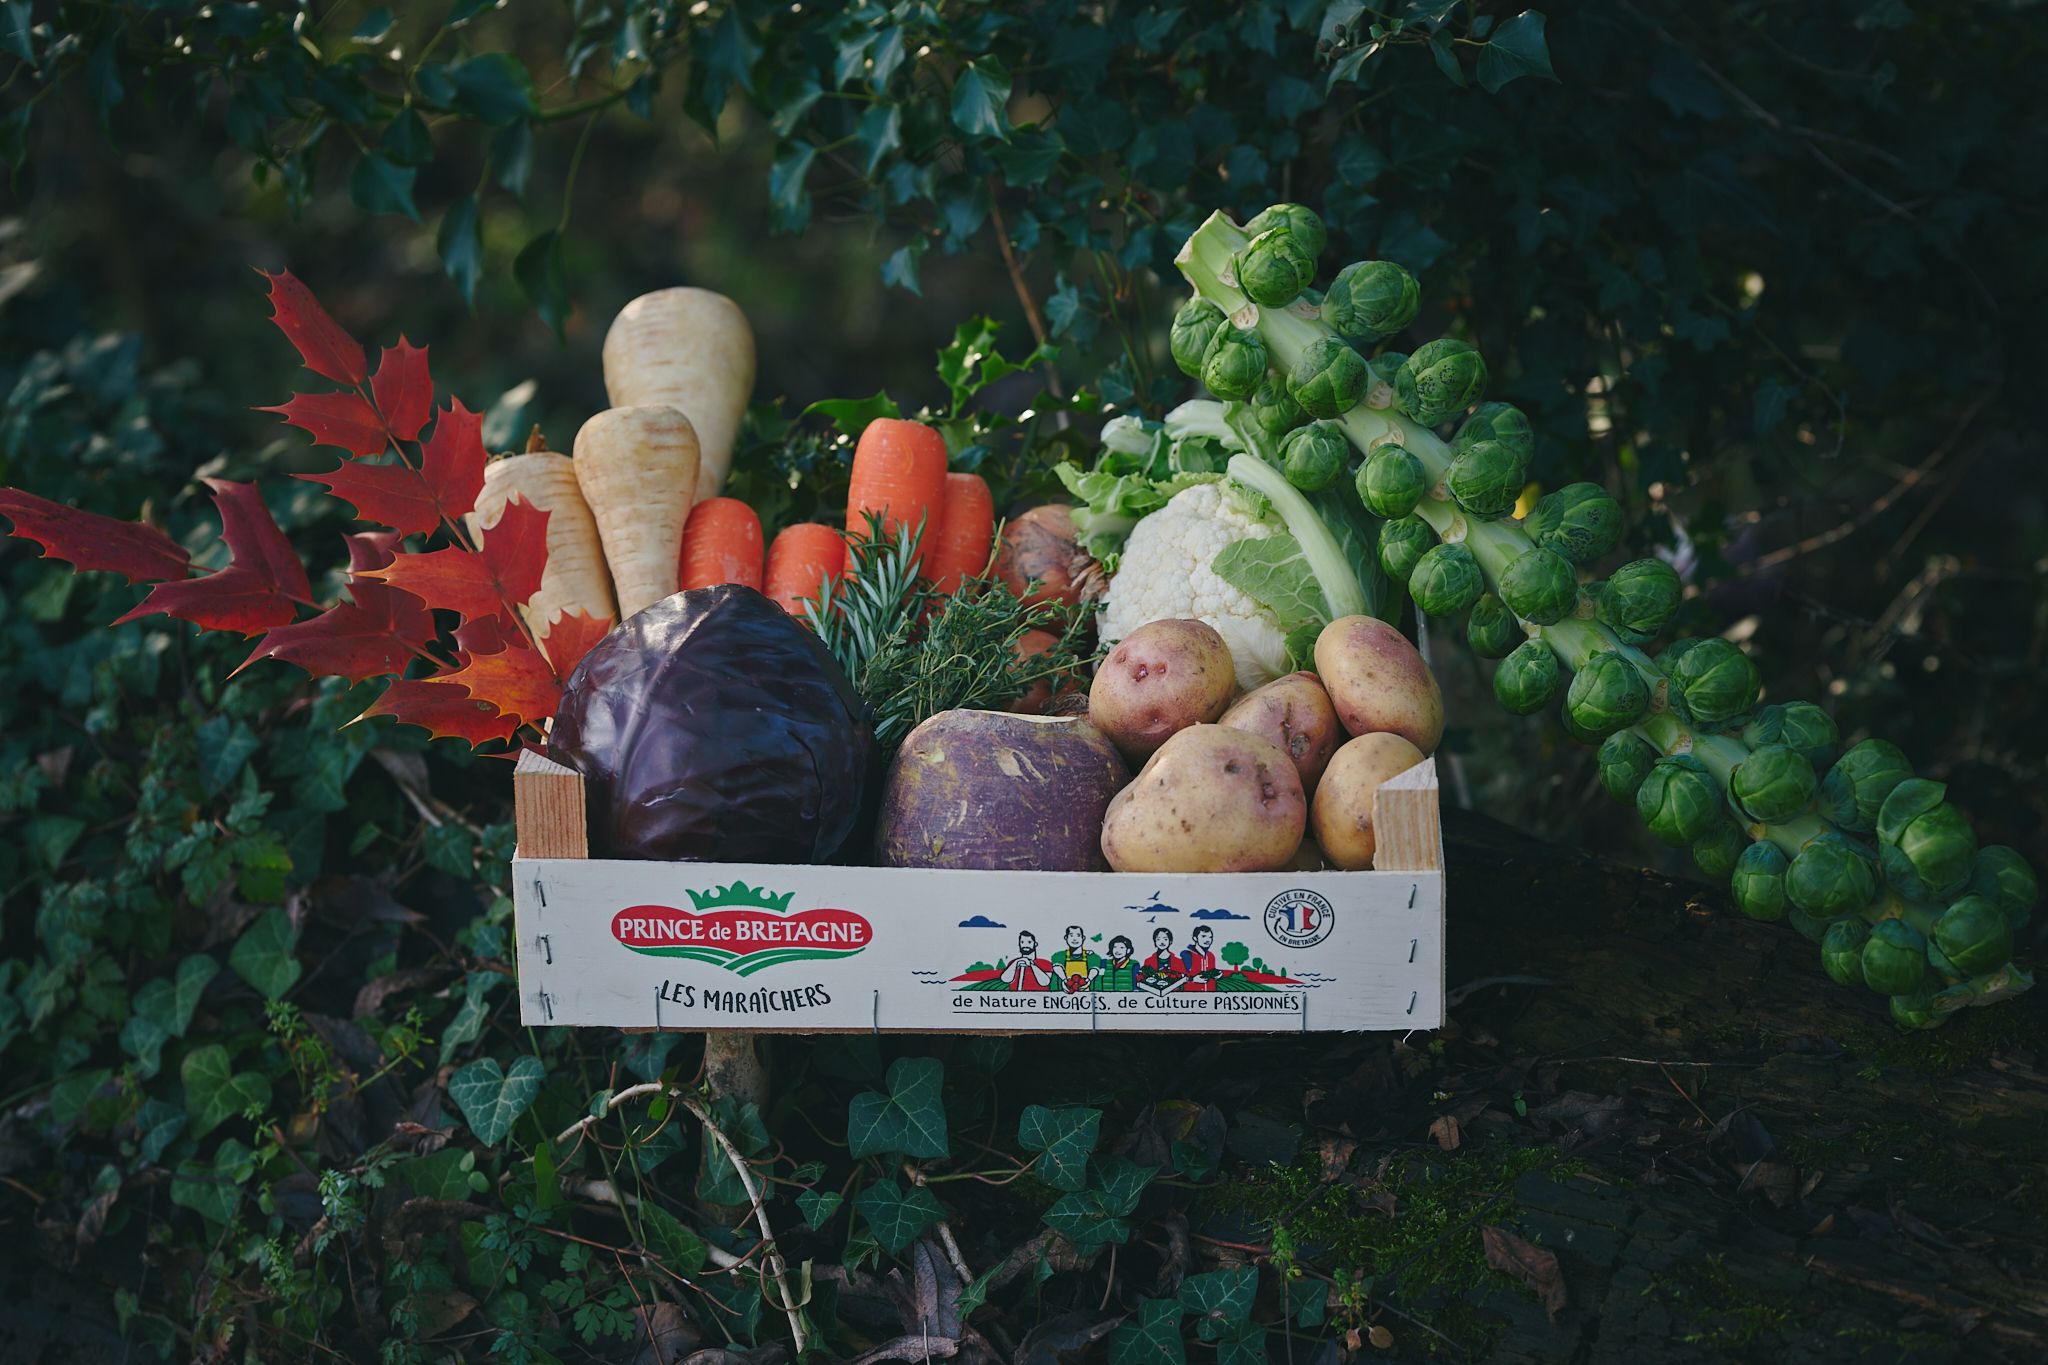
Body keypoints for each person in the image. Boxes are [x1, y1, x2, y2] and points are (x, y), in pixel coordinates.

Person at [1052, 924, 1096, 992]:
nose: (1074, 939)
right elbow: (1057, 967)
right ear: (1066, 938)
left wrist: (1088, 980)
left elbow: (1094, 969)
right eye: (1071, 935)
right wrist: (1065, 981)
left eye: (1078, 935)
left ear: (1083, 938)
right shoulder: (1059, 955)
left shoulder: (1091, 956)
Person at [1179, 925, 1220, 992]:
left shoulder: (1211, 956)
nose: (1207, 940)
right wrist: (1193, 979)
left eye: (1210, 937)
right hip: (1192, 997)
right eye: (1203, 936)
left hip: (1210, 996)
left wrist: (1217, 975)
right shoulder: (1186, 954)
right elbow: (1179, 976)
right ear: (1195, 938)